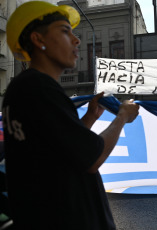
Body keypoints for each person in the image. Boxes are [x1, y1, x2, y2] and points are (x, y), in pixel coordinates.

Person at [2, 2, 139, 229]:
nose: (76, 40)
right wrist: (122, 116)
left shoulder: (25, 88)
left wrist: (89, 119)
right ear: (39, 40)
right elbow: (92, 158)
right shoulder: (39, 87)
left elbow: (57, 150)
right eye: (65, 31)